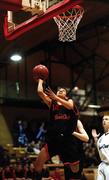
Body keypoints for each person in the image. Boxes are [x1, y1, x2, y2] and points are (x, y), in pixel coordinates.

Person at [34, 79, 89, 180]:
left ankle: (79, 176)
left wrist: (55, 97)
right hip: (54, 140)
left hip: (68, 141)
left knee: (75, 171)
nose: (60, 90)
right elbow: (40, 92)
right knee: (37, 164)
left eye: (63, 90)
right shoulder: (52, 104)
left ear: (66, 95)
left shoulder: (69, 101)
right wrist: (40, 80)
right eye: (59, 90)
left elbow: (70, 105)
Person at [92, 113, 109, 180]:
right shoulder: (101, 138)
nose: (104, 121)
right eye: (103, 119)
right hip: (102, 164)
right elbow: (100, 150)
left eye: (106, 119)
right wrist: (95, 139)